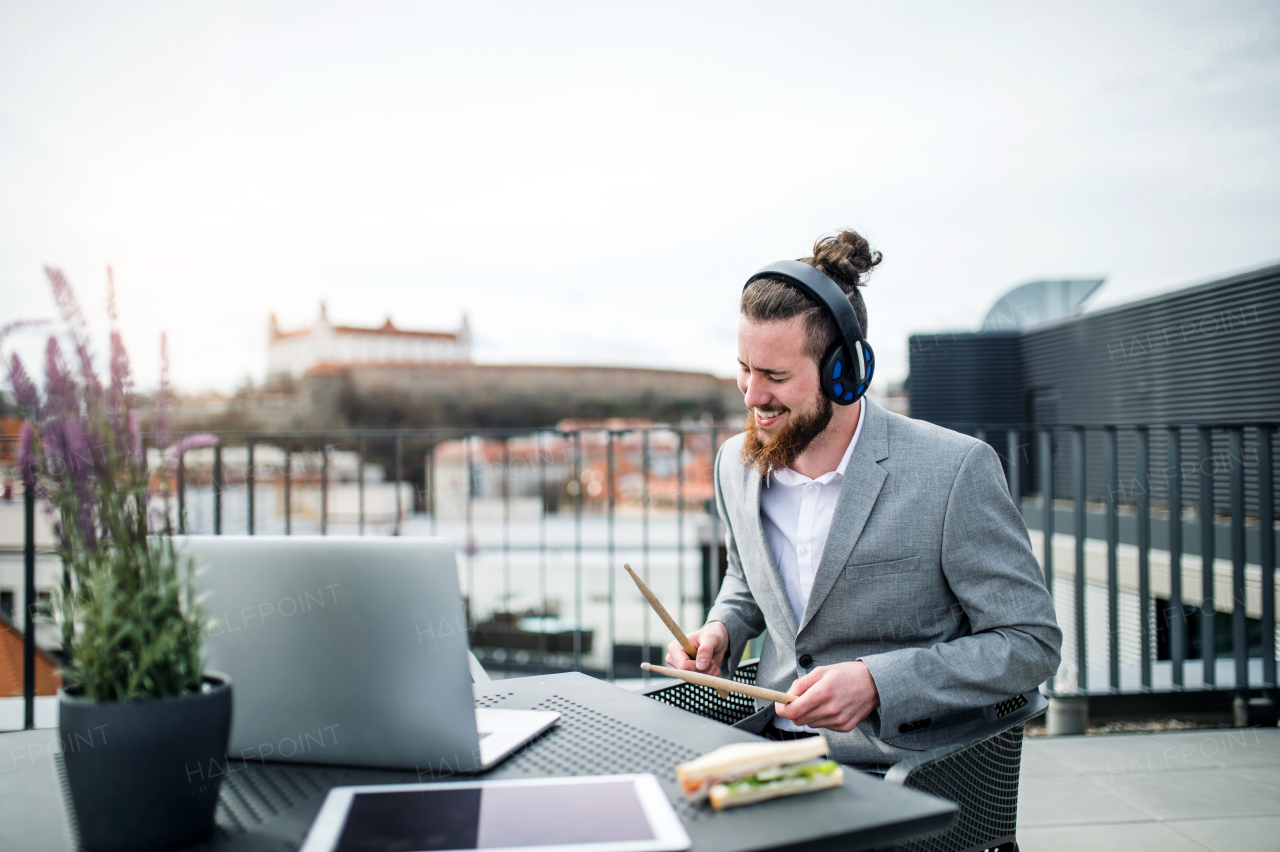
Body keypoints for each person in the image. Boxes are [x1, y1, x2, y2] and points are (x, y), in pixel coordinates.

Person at [667, 229, 1061, 767]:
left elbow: (1030, 643)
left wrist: (878, 682)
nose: (752, 396)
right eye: (744, 369)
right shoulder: (735, 463)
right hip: (766, 750)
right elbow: (748, 580)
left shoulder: (953, 470)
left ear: (844, 374)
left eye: (776, 376)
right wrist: (721, 630)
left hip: (900, 771)